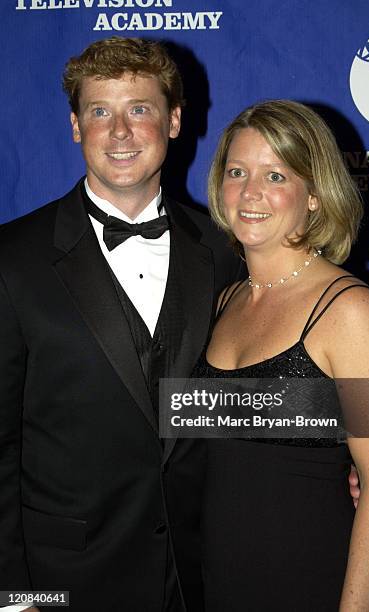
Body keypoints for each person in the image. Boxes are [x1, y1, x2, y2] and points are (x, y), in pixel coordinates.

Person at [0, 37, 244, 612]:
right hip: (62, 583)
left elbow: (251, 396)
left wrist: (364, 443)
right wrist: (15, 595)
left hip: (200, 574)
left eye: (139, 109)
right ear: (75, 127)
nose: (120, 132)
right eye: (99, 112)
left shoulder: (226, 249)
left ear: (174, 120)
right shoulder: (12, 259)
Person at [192, 100, 369, 611]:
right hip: (216, 582)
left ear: (313, 195)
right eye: (238, 171)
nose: (250, 193)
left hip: (311, 582)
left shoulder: (354, 311)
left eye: (276, 175)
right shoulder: (224, 300)